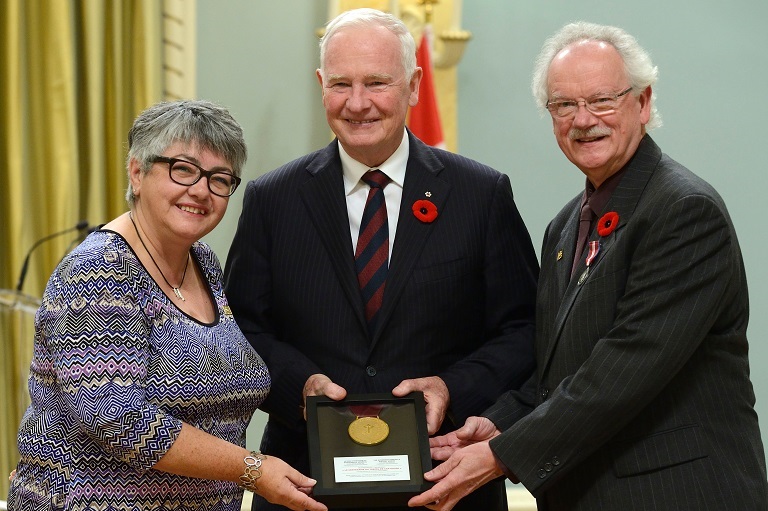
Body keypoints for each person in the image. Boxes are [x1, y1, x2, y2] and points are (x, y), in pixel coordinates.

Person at [408, 21, 768, 511]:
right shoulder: (565, 227)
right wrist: (501, 420)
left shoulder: (684, 211)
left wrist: (501, 455)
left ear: (642, 103)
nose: (583, 119)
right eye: (564, 105)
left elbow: (623, 369)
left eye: (602, 100)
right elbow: (560, 369)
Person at [223, 8, 539, 511]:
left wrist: (450, 388)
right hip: (305, 488)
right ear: (321, 85)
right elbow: (241, 331)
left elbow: (523, 328)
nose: (357, 103)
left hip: (445, 485)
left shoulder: (481, 194)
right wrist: (299, 387)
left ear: (413, 85)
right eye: (341, 84)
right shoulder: (272, 200)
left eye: (376, 82)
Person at [8, 100, 327, 511]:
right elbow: (117, 418)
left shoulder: (203, 262)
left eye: (218, 178)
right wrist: (253, 468)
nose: (200, 190)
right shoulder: (99, 271)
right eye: (183, 169)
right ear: (137, 172)